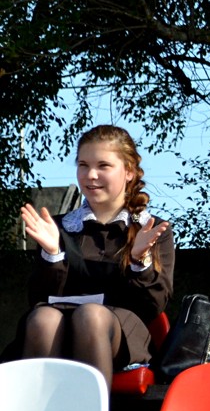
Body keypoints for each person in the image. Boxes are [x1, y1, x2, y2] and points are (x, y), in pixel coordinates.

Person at [18, 125, 175, 390]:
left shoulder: (152, 229)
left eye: (103, 166)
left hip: (121, 334)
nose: (91, 175)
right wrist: (53, 254)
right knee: (43, 319)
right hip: (59, 323)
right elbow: (38, 299)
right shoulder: (57, 227)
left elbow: (153, 307)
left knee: (91, 316)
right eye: (83, 165)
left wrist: (139, 261)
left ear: (129, 172)